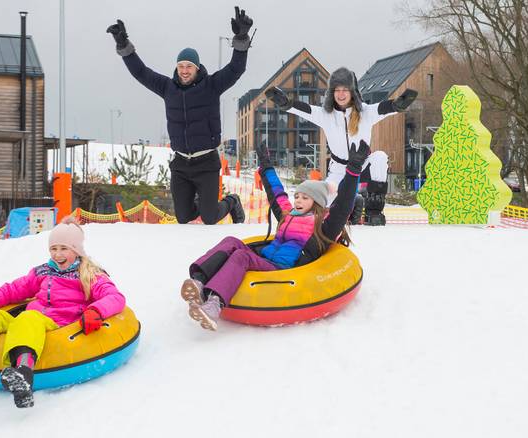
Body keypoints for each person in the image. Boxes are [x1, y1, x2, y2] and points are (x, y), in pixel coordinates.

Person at [0, 223, 126, 408]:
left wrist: (96, 311)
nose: (57, 254)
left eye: (64, 248)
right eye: (53, 248)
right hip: (28, 322)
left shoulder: (89, 273)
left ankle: (24, 375)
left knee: (29, 318)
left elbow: (115, 297)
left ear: (77, 250)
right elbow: (12, 290)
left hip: (58, 324)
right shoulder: (42, 272)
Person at [180, 138, 370, 331]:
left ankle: (214, 305)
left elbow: (343, 204)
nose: (298, 200)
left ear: (318, 202)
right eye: (297, 196)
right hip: (266, 258)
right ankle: (199, 281)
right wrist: (266, 165)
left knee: (240, 256)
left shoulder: (322, 225)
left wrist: (353, 170)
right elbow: (277, 193)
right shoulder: (288, 215)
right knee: (231, 241)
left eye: (305, 197)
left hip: (284, 268)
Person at [106, 6, 254, 225]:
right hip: (181, 164)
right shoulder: (167, 88)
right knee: (183, 217)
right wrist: (123, 46)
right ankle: (204, 205)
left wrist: (241, 39)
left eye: (189, 66)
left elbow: (235, 69)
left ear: (197, 68)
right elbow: (141, 72)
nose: (185, 70)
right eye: (181, 66)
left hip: (206, 162)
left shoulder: (211, 85)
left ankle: (232, 201)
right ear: (177, 67)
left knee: (210, 217)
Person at [265, 67, 418, 225]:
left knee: (380, 158)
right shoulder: (326, 115)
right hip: (339, 169)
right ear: (332, 93)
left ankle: (374, 212)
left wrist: (398, 104)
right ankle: (353, 206)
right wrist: (286, 103)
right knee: (324, 204)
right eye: (337, 90)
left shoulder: (365, 112)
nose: (341, 94)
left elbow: (383, 109)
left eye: (345, 89)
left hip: (363, 164)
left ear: (353, 91)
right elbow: (305, 110)